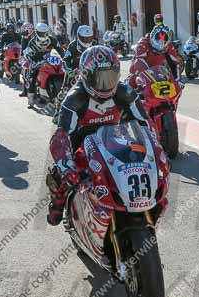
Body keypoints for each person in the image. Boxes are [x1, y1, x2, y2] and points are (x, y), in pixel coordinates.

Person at [46, 45, 157, 226]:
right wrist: (66, 165)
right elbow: (61, 135)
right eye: (101, 78)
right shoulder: (74, 98)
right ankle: (57, 206)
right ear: (86, 76)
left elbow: (145, 123)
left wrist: (156, 149)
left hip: (116, 142)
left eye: (110, 77)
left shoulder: (125, 92)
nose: (106, 84)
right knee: (59, 177)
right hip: (81, 148)